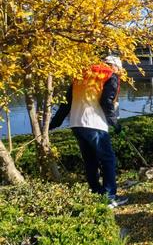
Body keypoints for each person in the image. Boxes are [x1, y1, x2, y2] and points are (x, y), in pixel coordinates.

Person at [50, 55, 128, 208]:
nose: (119, 73)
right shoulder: (110, 76)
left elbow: (66, 103)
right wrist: (115, 124)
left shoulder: (81, 75)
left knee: (90, 160)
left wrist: (53, 124)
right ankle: (110, 197)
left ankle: (96, 193)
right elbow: (106, 102)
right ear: (115, 67)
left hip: (76, 123)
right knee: (108, 159)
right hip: (94, 123)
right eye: (119, 70)